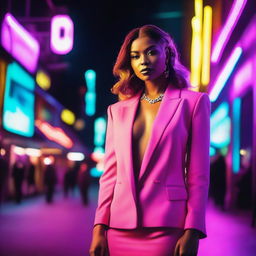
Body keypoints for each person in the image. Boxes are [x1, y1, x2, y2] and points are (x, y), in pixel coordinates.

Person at [90, 24, 210, 256]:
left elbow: (198, 175)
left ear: (168, 54)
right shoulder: (117, 110)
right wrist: (98, 228)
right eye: (135, 56)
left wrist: (193, 229)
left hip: (167, 224)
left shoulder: (193, 103)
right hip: (119, 226)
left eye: (151, 52)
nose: (143, 61)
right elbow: (110, 175)